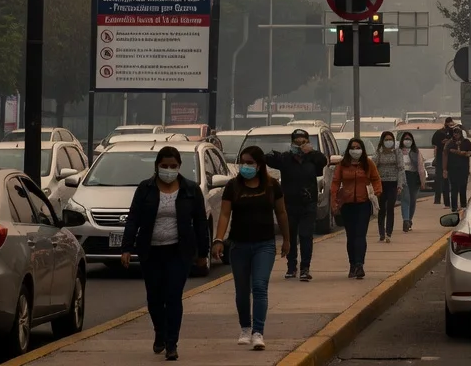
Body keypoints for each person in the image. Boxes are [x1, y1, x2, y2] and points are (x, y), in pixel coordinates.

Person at [120, 146, 210, 361]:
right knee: (154, 298)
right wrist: (126, 248)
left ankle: (172, 343)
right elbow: (133, 219)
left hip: (179, 252)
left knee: (173, 296)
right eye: (164, 166)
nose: (168, 170)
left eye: (173, 166)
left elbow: (200, 222)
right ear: (156, 166)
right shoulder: (145, 189)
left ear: (179, 167)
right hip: (150, 251)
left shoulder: (190, 189)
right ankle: (160, 332)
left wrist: (203, 253)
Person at [213, 145, 290, 351]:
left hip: (264, 245)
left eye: (250, 162)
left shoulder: (272, 186)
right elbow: (224, 214)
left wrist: (288, 240)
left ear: (259, 165)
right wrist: (219, 239)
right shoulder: (233, 187)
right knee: (242, 290)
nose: (245, 166)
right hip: (239, 245)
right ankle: (245, 328)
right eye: (243, 162)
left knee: (259, 286)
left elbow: (281, 213)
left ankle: (258, 332)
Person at [263, 128, 327, 281]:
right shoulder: (285, 159)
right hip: (289, 204)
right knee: (290, 236)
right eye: (296, 143)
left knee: (306, 235)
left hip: (308, 203)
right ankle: (291, 267)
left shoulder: (313, 159)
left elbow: (323, 161)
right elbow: (266, 159)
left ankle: (305, 268)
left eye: (303, 142)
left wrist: (311, 152)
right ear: (291, 143)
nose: (300, 145)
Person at [331, 138, 383, 279]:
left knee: (360, 235)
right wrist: (334, 201)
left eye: (358, 147)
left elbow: (376, 178)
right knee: (351, 236)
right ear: (349, 150)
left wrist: (377, 191)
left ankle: (360, 264)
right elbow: (335, 182)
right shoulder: (342, 164)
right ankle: (352, 264)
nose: (355, 150)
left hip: (363, 203)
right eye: (353, 147)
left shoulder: (368, 163)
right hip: (347, 205)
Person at [374, 131, 403, 242]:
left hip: (393, 183)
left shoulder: (397, 152)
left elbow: (401, 169)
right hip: (381, 183)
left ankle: (388, 233)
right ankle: (381, 232)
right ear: (382, 141)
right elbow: (373, 166)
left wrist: (400, 185)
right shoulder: (379, 152)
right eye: (386, 140)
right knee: (381, 208)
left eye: (390, 139)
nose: (388, 142)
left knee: (390, 206)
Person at [397, 131, 426, 232]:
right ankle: (405, 220)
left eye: (409, 139)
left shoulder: (416, 152)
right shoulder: (398, 151)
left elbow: (420, 168)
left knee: (412, 200)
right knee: (405, 198)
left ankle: (409, 220)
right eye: (405, 139)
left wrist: (423, 182)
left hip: (413, 177)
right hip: (403, 176)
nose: (407, 141)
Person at [442, 126, 471, 212]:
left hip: (463, 168)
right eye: (455, 133)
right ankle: (454, 207)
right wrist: (444, 169)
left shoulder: (466, 142)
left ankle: (463, 205)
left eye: (458, 133)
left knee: (463, 187)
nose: (456, 135)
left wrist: (463, 153)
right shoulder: (449, 143)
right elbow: (445, 156)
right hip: (452, 169)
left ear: (461, 134)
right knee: (454, 188)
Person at [431, 118, 456, 205]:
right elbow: (434, 142)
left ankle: (448, 200)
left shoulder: (454, 132)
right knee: (439, 179)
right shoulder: (439, 133)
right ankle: (437, 199)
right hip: (440, 158)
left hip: (451, 158)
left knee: (449, 180)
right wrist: (442, 142)